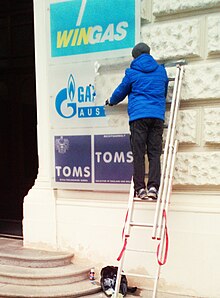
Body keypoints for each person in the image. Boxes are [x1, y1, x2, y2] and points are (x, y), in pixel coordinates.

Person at [106, 42, 168, 200]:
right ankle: (153, 187)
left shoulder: (132, 72)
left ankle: (140, 189)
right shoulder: (161, 71)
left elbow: (121, 91)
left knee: (139, 154)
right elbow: (163, 91)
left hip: (139, 117)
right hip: (157, 117)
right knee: (154, 153)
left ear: (135, 56)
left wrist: (111, 101)